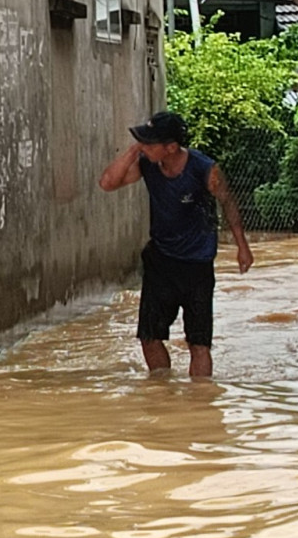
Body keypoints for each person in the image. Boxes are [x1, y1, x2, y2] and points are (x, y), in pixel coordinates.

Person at [98, 110, 253, 378]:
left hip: (197, 265)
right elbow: (107, 183)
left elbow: (227, 202)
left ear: (170, 147)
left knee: (199, 344)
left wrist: (242, 246)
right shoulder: (146, 164)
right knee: (149, 337)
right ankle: (162, 392)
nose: (145, 147)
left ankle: (199, 402)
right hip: (161, 261)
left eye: (150, 142)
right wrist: (136, 149)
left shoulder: (204, 169)